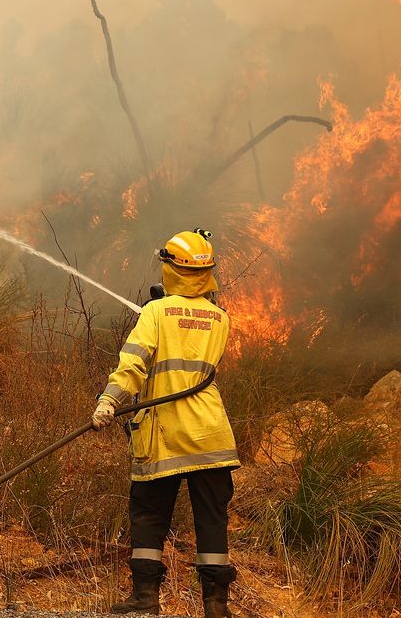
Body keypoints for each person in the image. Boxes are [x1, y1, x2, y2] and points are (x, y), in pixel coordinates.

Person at [92, 228, 239, 618]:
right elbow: (193, 334)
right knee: (212, 517)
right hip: (211, 434)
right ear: (207, 273)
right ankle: (216, 606)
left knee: (149, 514)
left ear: (171, 268)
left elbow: (133, 364)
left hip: (164, 433)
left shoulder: (155, 312)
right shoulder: (221, 318)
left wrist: (109, 400)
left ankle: (144, 598)